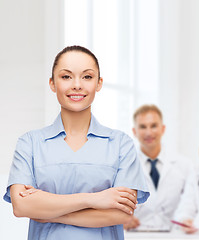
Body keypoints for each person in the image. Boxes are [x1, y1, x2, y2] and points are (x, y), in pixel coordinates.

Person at [3, 45, 149, 240]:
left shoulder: (120, 144)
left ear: (99, 83)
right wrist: (96, 199)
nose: (77, 85)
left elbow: (121, 213)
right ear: (52, 83)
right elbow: (21, 206)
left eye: (87, 77)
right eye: (66, 77)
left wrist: (48, 210)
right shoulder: (30, 143)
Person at [123, 104, 192, 231]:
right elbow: (114, 205)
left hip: (174, 235)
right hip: (137, 234)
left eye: (154, 126)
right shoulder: (124, 166)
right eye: (143, 127)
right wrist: (120, 220)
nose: (149, 132)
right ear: (134, 131)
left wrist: (187, 219)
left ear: (163, 129)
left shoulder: (184, 165)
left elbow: (191, 203)